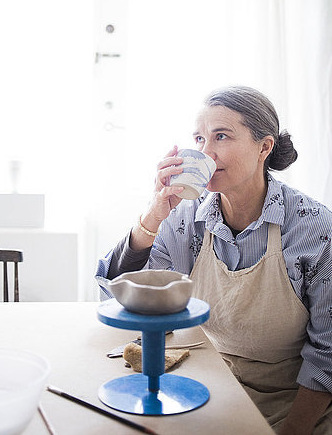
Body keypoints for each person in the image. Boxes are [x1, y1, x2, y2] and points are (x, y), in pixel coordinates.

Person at [96, 85, 332, 435]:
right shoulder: (184, 219)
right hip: (208, 388)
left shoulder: (314, 228)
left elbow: (327, 355)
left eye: (221, 136)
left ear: (263, 147)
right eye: (199, 138)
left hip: (293, 404)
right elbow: (122, 300)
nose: (206, 152)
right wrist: (152, 217)